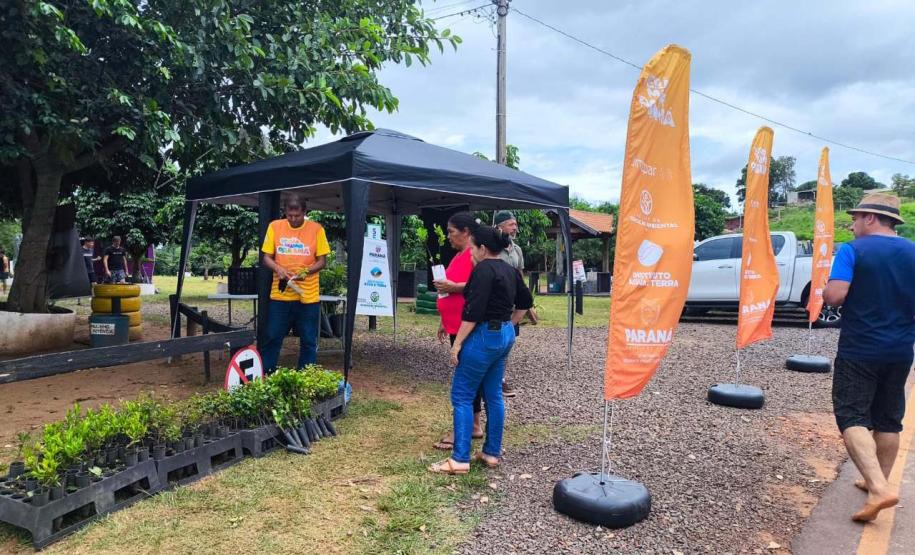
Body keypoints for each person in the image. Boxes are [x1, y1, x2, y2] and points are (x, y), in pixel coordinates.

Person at [823, 192, 915, 523]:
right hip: (901, 350)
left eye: (856, 219)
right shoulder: (913, 251)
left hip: (860, 349)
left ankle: (878, 488)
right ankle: (879, 482)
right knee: (889, 419)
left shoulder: (852, 250)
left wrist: (825, 291)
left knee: (852, 417)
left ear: (871, 218)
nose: (852, 226)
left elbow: (836, 296)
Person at [429, 226, 533, 475]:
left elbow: (473, 313)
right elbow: (526, 302)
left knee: (462, 395)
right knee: (493, 394)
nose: (471, 252)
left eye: (473, 248)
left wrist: (457, 344)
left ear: (483, 249)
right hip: (505, 334)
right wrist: (509, 324)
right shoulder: (510, 270)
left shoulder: (482, 270)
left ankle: (459, 459)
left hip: (484, 336)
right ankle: (491, 453)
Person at [260, 193, 331, 373]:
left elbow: (322, 261)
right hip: (280, 294)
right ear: (284, 211)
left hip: (308, 295)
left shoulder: (317, 229)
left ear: (304, 212)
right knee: (273, 336)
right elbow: (266, 257)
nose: (292, 219)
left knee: (308, 339)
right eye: (289, 215)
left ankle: (305, 375)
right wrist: (278, 269)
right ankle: (267, 373)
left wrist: (305, 272)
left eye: (297, 216)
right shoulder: (274, 226)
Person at [432, 212, 484, 451]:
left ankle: (463, 428)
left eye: (452, 232)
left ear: (466, 232)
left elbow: (478, 286)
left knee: (465, 379)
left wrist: (453, 286)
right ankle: (474, 424)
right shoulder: (459, 255)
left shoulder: (475, 255)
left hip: (467, 325)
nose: (449, 236)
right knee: (468, 375)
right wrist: (444, 319)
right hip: (455, 323)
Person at [493, 210, 525, 397]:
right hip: (495, 303)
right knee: (493, 336)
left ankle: (501, 378)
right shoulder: (491, 248)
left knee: (508, 339)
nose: (515, 228)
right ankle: (489, 377)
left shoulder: (517, 249)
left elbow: (520, 274)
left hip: (512, 305)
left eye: (515, 224)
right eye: (511, 224)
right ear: (499, 226)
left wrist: (524, 299)